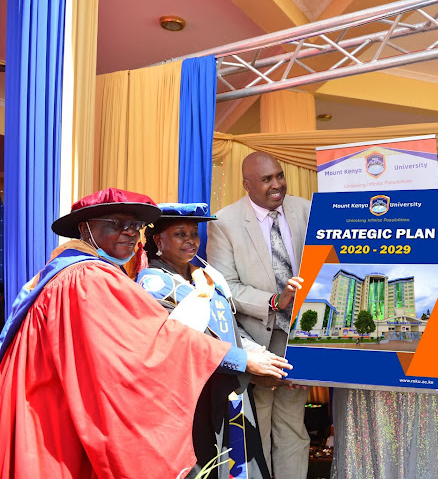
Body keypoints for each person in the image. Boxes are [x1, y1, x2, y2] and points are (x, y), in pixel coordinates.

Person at [0, 188, 292, 478]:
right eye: (117, 224)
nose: (130, 233)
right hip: (53, 406)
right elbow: (155, 340)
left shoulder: (78, 272)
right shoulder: (88, 278)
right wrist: (240, 360)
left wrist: (255, 358)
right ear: (85, 228)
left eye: (135, 226)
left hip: (60, 396)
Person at [138, 203, 299, 479]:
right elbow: (187, 343)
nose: (190, 241)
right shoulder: (154, 285)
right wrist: (248, 362)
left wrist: (267, 363)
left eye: (194, 233)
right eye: (180, 234)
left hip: (229, 393)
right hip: (190, 400)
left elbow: (230, 330)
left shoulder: (206, 275)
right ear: (158, 240)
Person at [207, 152, 312, 479]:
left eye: (279, 176)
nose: (277, 184)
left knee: (294, 428)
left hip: (302, 338)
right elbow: (226, 288)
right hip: (256, 343)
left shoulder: (307, 210)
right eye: (267, 179)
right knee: (257, 429)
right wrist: (274, 300)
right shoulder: (225, 222)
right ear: (247, 184)